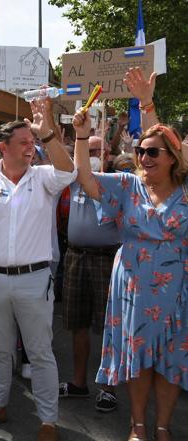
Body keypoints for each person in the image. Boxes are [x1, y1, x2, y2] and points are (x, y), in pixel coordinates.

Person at [73, 69, 187, 441]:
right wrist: (78, 136)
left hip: (176, 289)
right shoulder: (127, 185)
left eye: (153, 152)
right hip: (134, 283)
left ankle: (163, 426)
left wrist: (148, 104)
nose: (144, 156)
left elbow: (165, 137)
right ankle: (137, 424)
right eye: (140, 151)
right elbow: (86, 180)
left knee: (169, 360)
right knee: (139, 357)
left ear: (172, 157)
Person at [0, 102, 76, 441]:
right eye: (23, 141)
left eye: (31, 141)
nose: (30, 147)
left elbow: (69, 172)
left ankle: (48, 421)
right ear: (3, 147)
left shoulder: (44, 177)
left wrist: (46, 132)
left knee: (39, 353)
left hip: (34, 279)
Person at [57, 155, 120, 413]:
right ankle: (79, 382)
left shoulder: (113, 185)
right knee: (77, 323)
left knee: (110, 326)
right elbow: (59, 156)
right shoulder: (71, 184)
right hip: (75, 256)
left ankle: (108, 389)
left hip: (105, 258)